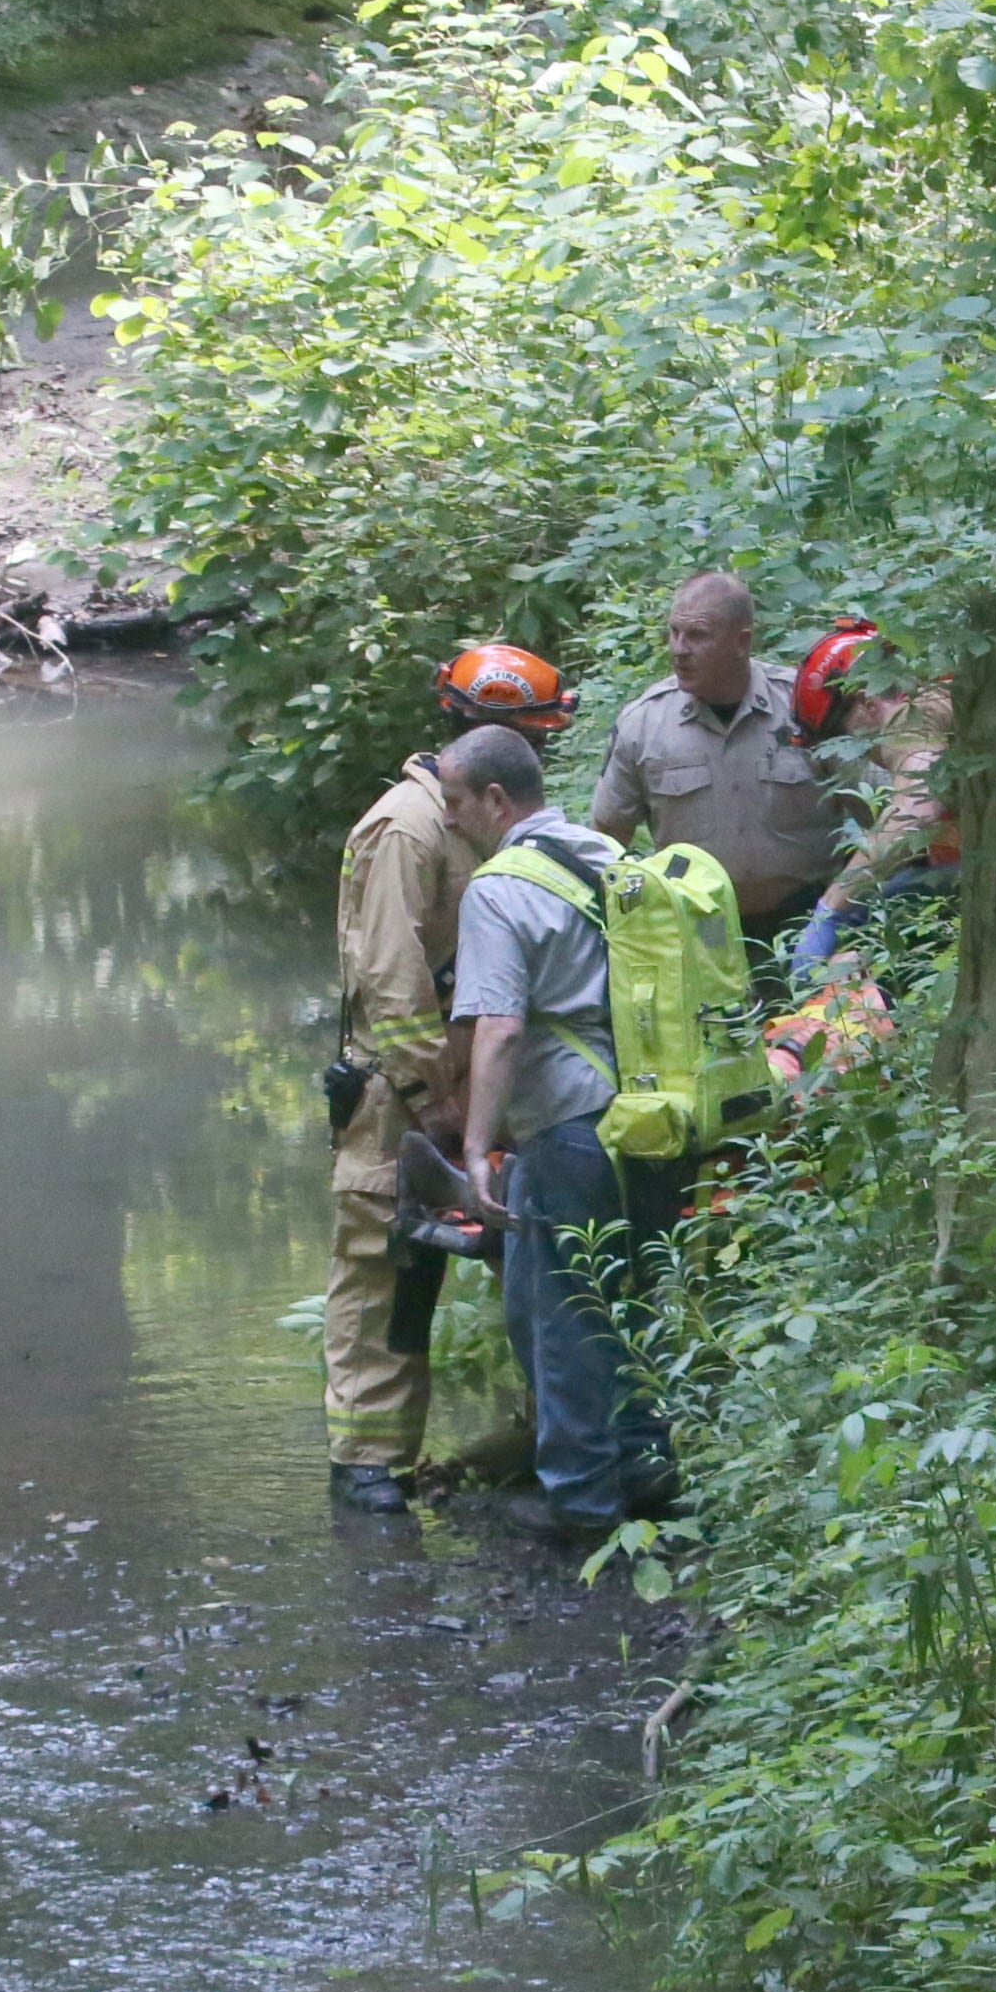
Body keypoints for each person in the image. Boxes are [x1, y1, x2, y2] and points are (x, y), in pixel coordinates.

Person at [317, 648, 575, 1516]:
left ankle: (549, 1437)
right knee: (386, 1275)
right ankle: (369, 1463)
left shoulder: (475, 823)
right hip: (402, 1096)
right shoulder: (410, 827)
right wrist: (433, 1096)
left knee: (523, 1257)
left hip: (482, 1086)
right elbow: (391, 979)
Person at [446, 727, 680, 1533]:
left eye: (456, 803)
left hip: (568, 1121)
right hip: (652, 1110)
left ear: (497, 800)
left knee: (565, 1312)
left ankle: (581, 1501)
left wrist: (478, 1147)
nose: (451, 820)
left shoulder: (499, 887)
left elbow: (501, 1028)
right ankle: (647, 1469)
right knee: (631, 1298)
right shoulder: (606, 856)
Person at [587, 572, 836, 940]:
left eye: (698, 635)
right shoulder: (644, 724)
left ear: (741, 642)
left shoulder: (805, 708)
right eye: (674, 632)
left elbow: (878, 814)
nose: (679, 649)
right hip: (695, 933)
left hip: (809, 922)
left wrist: (839, 913)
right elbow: (608, 841)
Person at [781, 619, 954, 971]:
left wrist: (830, 908)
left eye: (840, 733)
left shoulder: (913, 722)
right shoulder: (944, 702)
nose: (858, 753)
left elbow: (916, 810)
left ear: (866, 702)